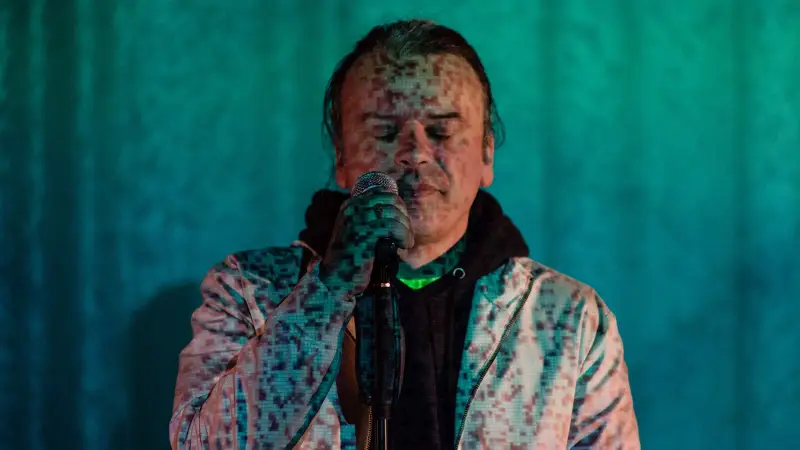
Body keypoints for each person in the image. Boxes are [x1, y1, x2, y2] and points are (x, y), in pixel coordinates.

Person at [169, 19, 640, 450]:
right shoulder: (249, 289)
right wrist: (327, 292)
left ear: (486, 154)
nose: (414, 153)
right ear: (341, 155)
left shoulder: (568, 318)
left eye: (440, 132)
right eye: (385, 132)